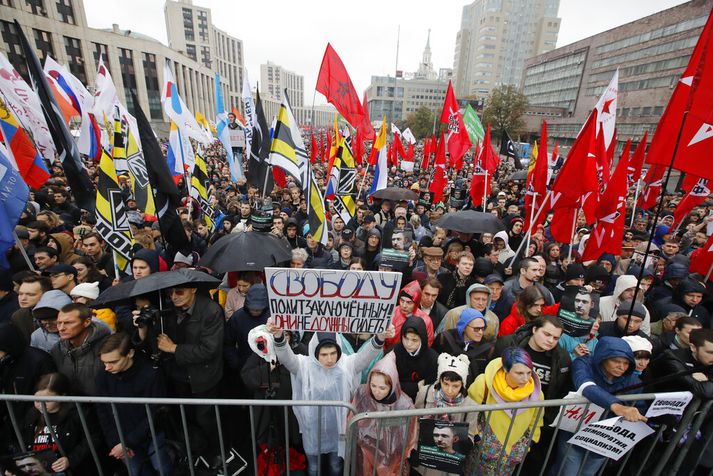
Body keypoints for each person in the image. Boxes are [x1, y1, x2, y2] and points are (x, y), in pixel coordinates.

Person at [266, 319, 395, 476]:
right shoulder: (303, 366)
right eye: (324, 354)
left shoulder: (347, 365)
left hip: (338, 429)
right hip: (312, 429)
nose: (329, 359)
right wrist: (279, 335)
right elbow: (286, 357)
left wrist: (380, 337)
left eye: (333, 353)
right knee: (313, 467)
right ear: (315, 352)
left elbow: (365, 356)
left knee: (336, 465)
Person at [132, 285, 225, 467]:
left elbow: (210, 349)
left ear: (193, 290)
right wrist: (143, 329)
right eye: (170, 293)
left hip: (203, 376)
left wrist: (173, 348)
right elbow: (152, 345)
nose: (174, 297)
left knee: (206, 418)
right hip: (176, 375)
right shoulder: (166, 309)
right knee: (184, 417)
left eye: (179, 292)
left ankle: (217, 452)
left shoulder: (211, 310)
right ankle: (195, 449)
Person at [550, 336, 646, 476]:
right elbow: (585, 385)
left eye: (626, 363)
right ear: (602, 357)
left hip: (604, 439)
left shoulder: (633, 380)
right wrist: (617, 406)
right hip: (574, 431)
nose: (621, 367)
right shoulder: (584, 363)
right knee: (567, 472)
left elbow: (639, 408)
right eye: (616, 361)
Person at [95, 333, 172, 476]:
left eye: (113, 362)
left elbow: (156, 411)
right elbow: (103, 411)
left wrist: (128, 442)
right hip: (121, 437)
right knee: (136, 471)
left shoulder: (151, 373)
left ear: (130, 353)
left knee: (162, 469)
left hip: (151, 435)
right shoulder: (103, 376)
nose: (107, 367)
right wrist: (116, 442)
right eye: (104, 363)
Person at [467, 347, 544, 475]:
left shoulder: (536, 392)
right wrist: (476, 437)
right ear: (505, 370)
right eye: (519, 373)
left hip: (511, 456)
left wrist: (529, 443)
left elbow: (537, 421)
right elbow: (468, 412)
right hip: (481, 453)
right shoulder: (484, 382)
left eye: (529, 372)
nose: (526, 379)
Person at [349, 352, 417, 476]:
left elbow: (408, 437)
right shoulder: (362, 393)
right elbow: (352, 422)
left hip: (390, 455)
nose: (376, 391)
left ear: (392, 384)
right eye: (373, 385)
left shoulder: (404, 404)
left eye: (382, 388)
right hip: (365, 451)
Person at [413, 353, 479, 476]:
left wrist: (460, 441)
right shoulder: (425, 392)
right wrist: (414, 449)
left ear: (463, 384)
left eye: (455, 386)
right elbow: (414, 424)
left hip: (448, 465)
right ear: (440, 380)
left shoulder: (471, 406)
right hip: (424, 462)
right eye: (446, 384)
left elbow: (469, 436)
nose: (449, 390)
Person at [20, 373, 97, 474]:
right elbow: (23, 438)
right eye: (36, 400)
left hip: (65, 469)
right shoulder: (32, 414)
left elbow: (92, 439)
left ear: (62, 396)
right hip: (37, 469)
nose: (40, 405)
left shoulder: (77, 414)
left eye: (47, 400)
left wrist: (70, 460)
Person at [50, 303, 111, 395]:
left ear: (87, 322)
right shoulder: (57, 349)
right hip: (72, 406)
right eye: (59, 323)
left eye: (68, 323)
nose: (61, 328)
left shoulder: (107, 346)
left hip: (103, 405)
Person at [434, 309, 494, 386]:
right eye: (476, 329)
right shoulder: (444, 338)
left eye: (483, 328)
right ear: (464, 327)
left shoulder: (488, 349)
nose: (480, 332)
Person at [224, 284, 270, 373]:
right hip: (245, 366)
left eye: (258, 309)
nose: (254, 311)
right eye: (251, 308)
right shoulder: (237, 317)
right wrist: (236, 364)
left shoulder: (273, 317)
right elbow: (228, 343)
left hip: (269, 366)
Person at [391, 316, 439, 401]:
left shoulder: (433, 359)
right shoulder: (393, 353)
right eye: (406, 338)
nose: (409, 344)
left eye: (414, 340)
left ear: (422, 339)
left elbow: (431, 388)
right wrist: (417, 386)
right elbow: (389, 384)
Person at [384, 280, 434, 351]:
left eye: (409, 302)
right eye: (402, 301)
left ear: (416, 303)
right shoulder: (391, 313)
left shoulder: (426, 321)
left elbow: (427, 344)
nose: (404, 305)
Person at [11, 275, 52, 342]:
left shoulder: (59, 313)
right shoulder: (18, 316)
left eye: (30, 294)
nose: (23, 298)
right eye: (20, 294)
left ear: (45, 294)